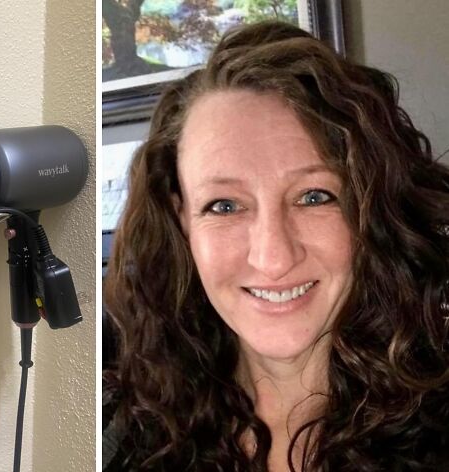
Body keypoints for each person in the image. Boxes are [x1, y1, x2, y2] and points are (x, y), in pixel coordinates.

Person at [102, 21, 449, 471]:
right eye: (224, 206)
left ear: (371, 208)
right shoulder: (123, 431)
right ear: (180, 217)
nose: (272, 257)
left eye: (314, 197)